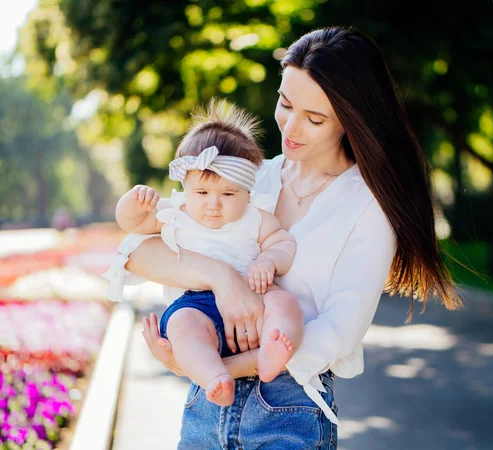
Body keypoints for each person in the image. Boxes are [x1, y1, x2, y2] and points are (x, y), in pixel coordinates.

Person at [124, 27, 462, 449]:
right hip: (204, 410)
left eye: (314, 118)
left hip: (289, 408)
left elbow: (338, 333)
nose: (291, 126)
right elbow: (138, 252)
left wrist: (218, 366)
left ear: (349, 120)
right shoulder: (248, 176)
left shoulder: (368, 206)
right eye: (285, 103)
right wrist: (222, 280)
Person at [103, 100, 304, 406]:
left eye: (227, 194)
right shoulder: (176, 213)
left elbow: (283, 243)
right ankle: (215, 377)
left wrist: (268, 259)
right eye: (202, 193)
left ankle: (275, 347)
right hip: (195, 303)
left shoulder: (256, 217)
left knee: (284, 302)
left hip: (253, 295)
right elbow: (133, 226)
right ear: (186, 188)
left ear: (248, 193)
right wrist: (132, 204)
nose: (213, 204)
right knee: (182, 326)